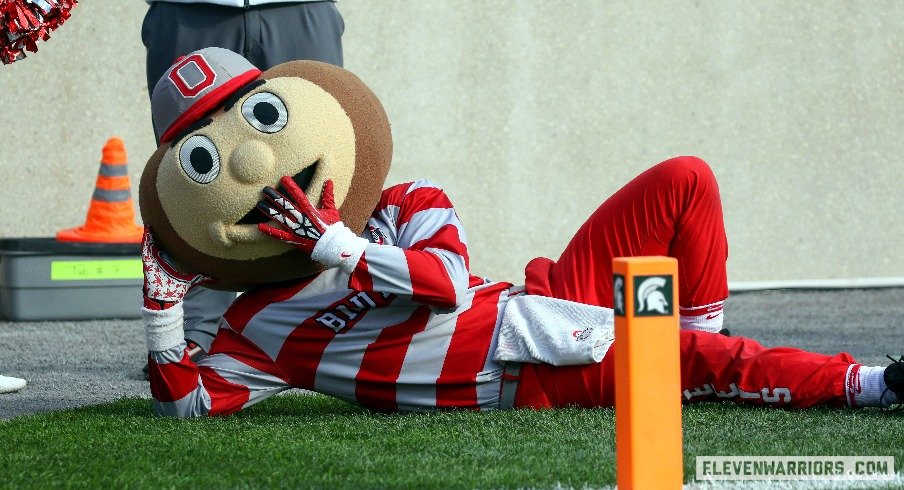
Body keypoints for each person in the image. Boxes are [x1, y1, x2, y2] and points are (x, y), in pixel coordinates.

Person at [141, 156, 904, 417]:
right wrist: (162, 314)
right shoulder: (253, 325)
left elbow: (443, 282)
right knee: (708, 364)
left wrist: (338, 245)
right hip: (520, 371)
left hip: (533, 300)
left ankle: (697, 337)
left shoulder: (409, 198)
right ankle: (870, 384)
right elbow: (193, 407)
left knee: (685, 181)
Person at [140, 0, 344, 364]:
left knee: (319, 159)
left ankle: (326, 324)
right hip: (189, 10)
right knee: (194, 177)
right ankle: (195, 330)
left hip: (301, 7)